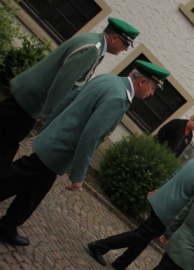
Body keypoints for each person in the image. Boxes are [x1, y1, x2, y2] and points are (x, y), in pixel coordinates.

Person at [0, 60, 165, 247]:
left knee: (36, 187)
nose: (152, 93)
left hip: (57, 141)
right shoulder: (119, 98)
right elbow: (91, 137)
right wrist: (78, 175)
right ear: (142, 82)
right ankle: (7, 225)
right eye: (153, 88)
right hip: (62, 148)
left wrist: (47, 129)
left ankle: (8, 226)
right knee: (18, 176)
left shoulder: (109, 79)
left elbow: (69, 99)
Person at [0, 17, 138, 167]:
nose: (126, 49)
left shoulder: (93, 41)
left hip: (30, 95)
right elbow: (64, 81)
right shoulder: (92, 49)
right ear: (114, 38)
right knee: (6, 145)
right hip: (33, 100)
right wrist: (49, 113)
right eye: (125, 44)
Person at [87, 153, 194, 270]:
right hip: (168, 212)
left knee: (144, 236)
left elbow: (174, 175)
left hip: (161, 199)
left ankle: (122, 262)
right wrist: (177, 227)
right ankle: (100, 246)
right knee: (140, 235)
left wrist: (159, 189)